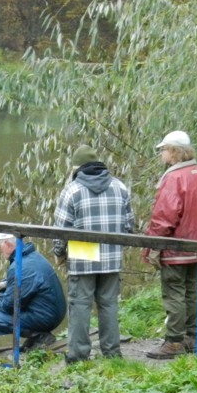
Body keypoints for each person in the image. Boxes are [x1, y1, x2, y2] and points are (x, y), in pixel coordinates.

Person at [53, 144, 135, 363]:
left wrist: (59, 253)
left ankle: (78, 355)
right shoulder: (120, 187)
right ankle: (112, 353)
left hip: (83, 254)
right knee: (108, 305)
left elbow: (61, 230)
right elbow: (129, 226)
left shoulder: (72, 190)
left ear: (76, 168)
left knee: (80, 305)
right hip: (112, 255)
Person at [141, 130, 197, 359]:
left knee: (173, 292)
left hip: (176, 247)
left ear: (174, 151)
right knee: (191, 291)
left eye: (163, 150)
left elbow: (165, 215)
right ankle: (192, 337)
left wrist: (152, 245)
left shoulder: (174, 178)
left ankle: (174, 340)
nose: (161, 154)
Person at [0, 234, 67, 350]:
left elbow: (9, 305)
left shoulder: (19, 266)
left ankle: (40, 336)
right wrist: (6, 283)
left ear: (7, 244)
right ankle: (35, 336)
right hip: (52, 312)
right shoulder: (31, 256)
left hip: (46, 317)